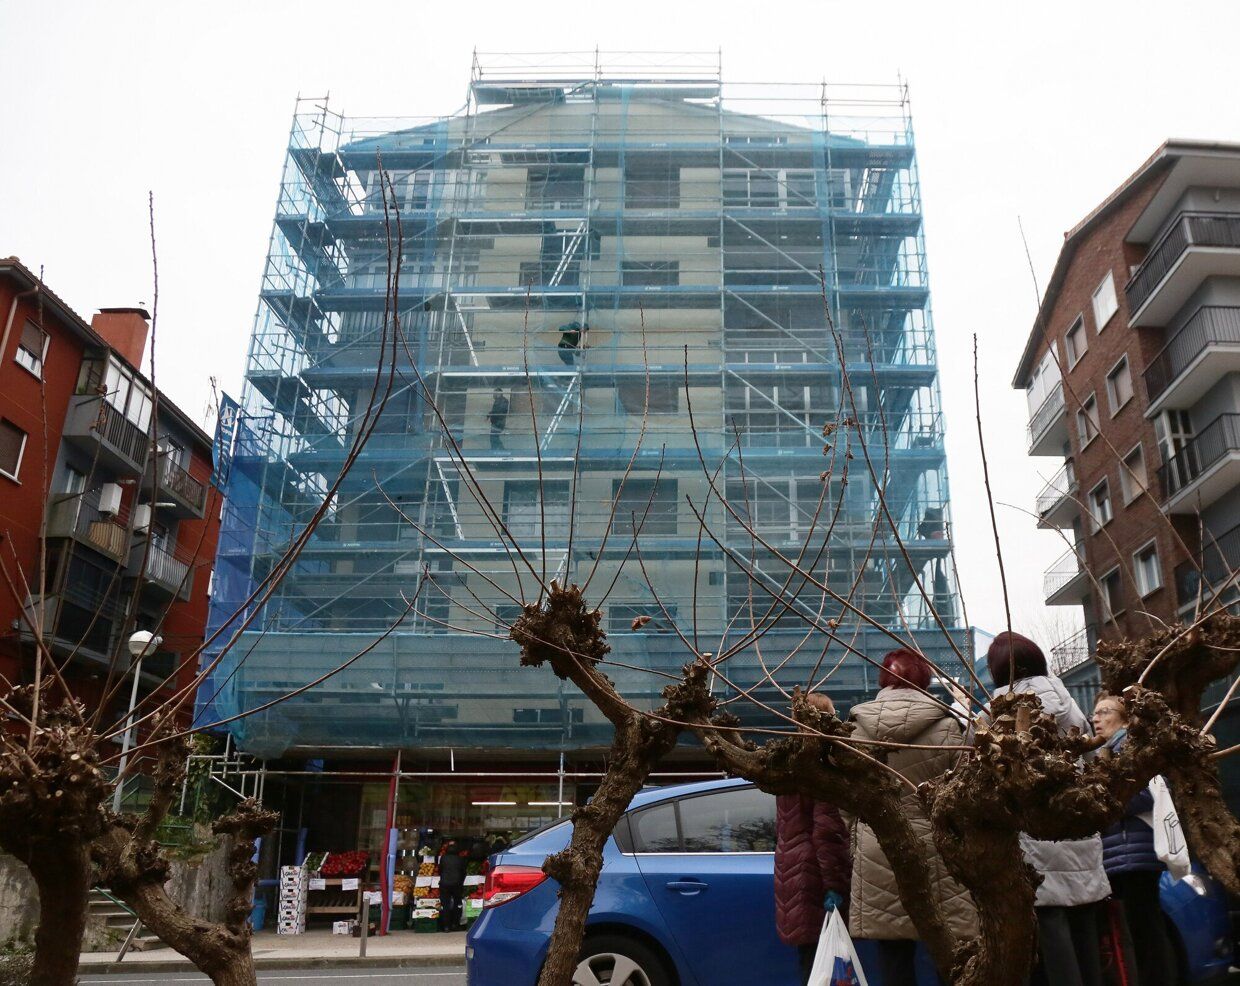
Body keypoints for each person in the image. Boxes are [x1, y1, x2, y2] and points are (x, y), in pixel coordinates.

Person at [847, 649, 978, 985]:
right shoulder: (949, 728)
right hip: (939, 849)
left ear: (883, 679)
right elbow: (966, 795)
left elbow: (844, 800)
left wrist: (859, 832)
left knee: (893, 955)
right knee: (950, 954)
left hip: (878, 848)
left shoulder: (856, 731)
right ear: (925, 680)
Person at [986, 631, 1110, 986]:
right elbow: (1091, 763)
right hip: (1079, 832)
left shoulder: (997, 716)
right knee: (1085, 932)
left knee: (1053, 942)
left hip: (1033, 842)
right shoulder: (1072, 709)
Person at [1094, 693, 1177, 985]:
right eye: (1095, 714)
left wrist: (1105, 803)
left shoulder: (1131, 748)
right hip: (1120, 856)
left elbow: (1149, 793)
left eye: (1105, 712)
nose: (1096, 719)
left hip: (1134, 856)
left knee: (1146, 933)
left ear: (1126, 719)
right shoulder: (1105, 752)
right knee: (1137, 935)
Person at [774, 691, 851, 985]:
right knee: (826, 963)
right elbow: (827, 833)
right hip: (815, 874)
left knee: (811, 962)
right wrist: (835, 885)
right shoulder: (823, 765)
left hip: (790, 869)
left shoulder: (787, 763)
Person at [437, 838, 467, 931]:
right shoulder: (460, 859)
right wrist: (461, 882)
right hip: (457, 884)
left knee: (445, 905)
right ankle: (455, 924)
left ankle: (446, 926)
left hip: (444, 884)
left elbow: (440, 870)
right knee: (457, 904)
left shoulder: (443, 858)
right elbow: (463, 872)